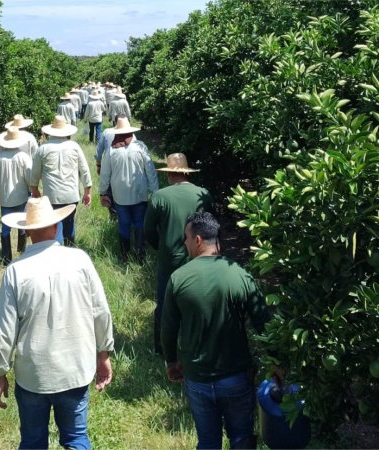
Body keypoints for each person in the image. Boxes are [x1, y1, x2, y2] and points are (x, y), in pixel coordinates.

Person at [0, 197, 114, 450]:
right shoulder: (80, 260)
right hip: (74, 369)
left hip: (33, 374)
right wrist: (103, 354)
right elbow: (100, 311)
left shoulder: (15, 270)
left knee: (33, 442)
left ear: (25, 230)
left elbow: (5, 329)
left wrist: (0, 372)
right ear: (56, 226)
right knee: (76, 438)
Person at [162, 211, 270, 450]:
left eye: (186, 238)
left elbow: (168, 327)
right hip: (236, 377)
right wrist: (277, 363)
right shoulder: (239, 273)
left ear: (198, 240)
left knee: (208, 441)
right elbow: (264, 321)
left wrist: (171, 361)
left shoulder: (178, 278)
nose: (184, 243)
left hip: (197, 378)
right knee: (241, 438)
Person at [144, 153, 212, 354]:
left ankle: (162, 348)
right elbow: (211, 227)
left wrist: (160, 247)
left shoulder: (160, 197)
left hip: (170, 259)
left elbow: (149, 230)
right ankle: (200, 345)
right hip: (199, 257)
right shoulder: (204, 194)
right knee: (201, 301)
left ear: (169, 174)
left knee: (166, 305)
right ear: (186, 173)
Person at [98, 117, 158, 260]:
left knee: (123, 224)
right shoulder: (140, 146)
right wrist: (155, 192)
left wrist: (102, 193)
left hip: (120, 195)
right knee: (139, 223)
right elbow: (150, 170)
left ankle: (124, 254)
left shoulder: (111, 150)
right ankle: (140, 254)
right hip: (140, 194)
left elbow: (105, 174)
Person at [30, 115, 92, 247]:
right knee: (69, 226)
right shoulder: (74, 146)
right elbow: (84, 170)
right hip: (71, 195)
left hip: (51, 196)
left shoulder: (43, 149)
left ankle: (55, 251)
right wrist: (88, 191)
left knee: (53, 227)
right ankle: (70, 251)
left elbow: (35, 173)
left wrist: (34, 189)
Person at [0, 126, 33, 265]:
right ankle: (22, 250)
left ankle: (6, 258)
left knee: (5, 228)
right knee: (22, 223)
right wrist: (31, 189)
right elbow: (29, 177)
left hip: (5, 198)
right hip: (21, 196)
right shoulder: (23, 157)